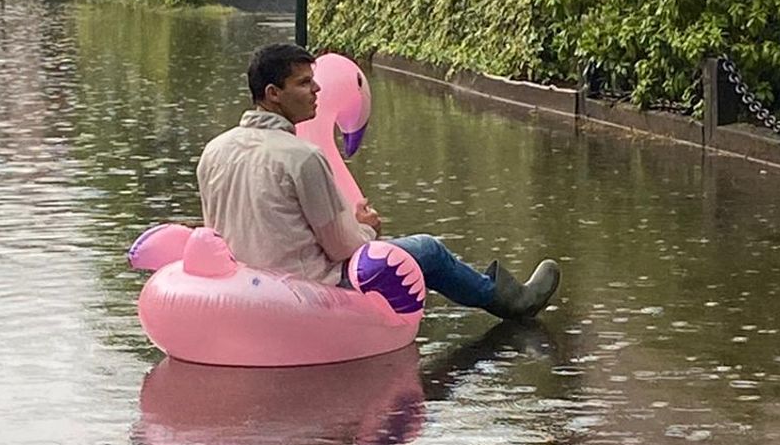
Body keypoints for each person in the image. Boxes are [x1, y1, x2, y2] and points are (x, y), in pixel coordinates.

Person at [196, 43, 559, 319]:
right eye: (304, 83)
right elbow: (343, 249)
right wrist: (367, 229)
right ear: (273, 94)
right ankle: (512, 301)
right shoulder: (302, 157)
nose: (317, 91)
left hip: (244, 290)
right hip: (305, 290)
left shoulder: (214, 150)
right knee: (429, 250)